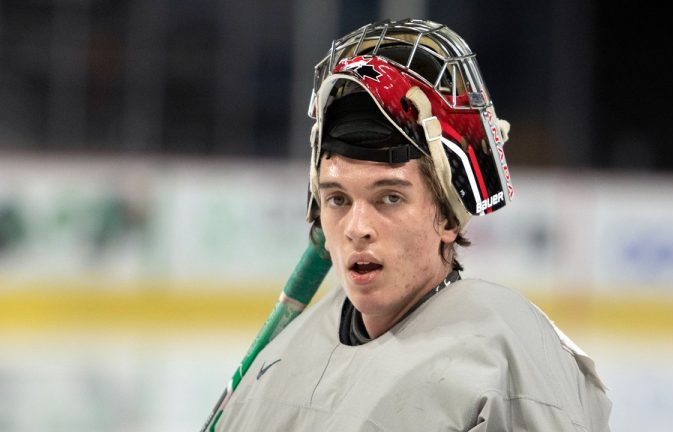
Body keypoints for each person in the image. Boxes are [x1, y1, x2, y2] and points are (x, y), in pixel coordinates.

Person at [216, 18, 611, 431]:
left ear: (446, 216)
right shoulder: (283, 360)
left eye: (389, 197)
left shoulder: (506, 356)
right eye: (337, 199)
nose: (357, 227)